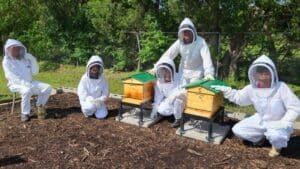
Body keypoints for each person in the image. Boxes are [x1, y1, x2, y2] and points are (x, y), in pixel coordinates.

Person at [211, 55, 300, 157]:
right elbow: (239, 98)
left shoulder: (281, 87)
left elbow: (295, 106)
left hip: (278, 121)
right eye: (260, 71)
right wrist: (227, 91)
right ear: (255, 74)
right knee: (238, 129)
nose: (263, 74)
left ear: (272, 73)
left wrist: (286, 121)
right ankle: (261, 139)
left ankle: (277, 147)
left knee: (277, 136)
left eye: (266, 71)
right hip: (261, 119)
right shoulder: (252, 88)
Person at [2, 39, 52, 122]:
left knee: (48, 87)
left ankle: (39, 106)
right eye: (13, 49)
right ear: (8, 50)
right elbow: (11, 77)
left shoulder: (25, 59)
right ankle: (25, 113)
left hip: (30, 82)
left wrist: (32, 59)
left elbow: (35, 72)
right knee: (26, 90)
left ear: (21, 49)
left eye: (17, 48)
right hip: (15, 84)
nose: (16, 50)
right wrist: (26, 84)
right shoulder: (6, 62)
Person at [154, 17, 215, 83]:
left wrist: (209, 74)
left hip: (197, 72)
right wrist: (156, 67)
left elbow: (206, 59)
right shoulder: (179, 42)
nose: (186, 34)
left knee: (192, 90)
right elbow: (168, 54)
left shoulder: (201, 42)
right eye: (184, 32)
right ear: (181, 33)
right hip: (182, 72)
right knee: (181, 90)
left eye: (188, 31)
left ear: (193, 32)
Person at [150, 57, 186, 128]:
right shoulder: (160, 82)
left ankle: (178, 119)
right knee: (162, 109)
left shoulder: (180, 77)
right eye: (163, 70)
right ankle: (161, 115)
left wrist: (176, 94)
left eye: (167, 70)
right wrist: (154, 110)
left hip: (181, 98)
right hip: (168, 99)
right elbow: (158, 96)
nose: (166, 73)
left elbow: (185, 90)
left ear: (172, 70)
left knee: (177, 101)